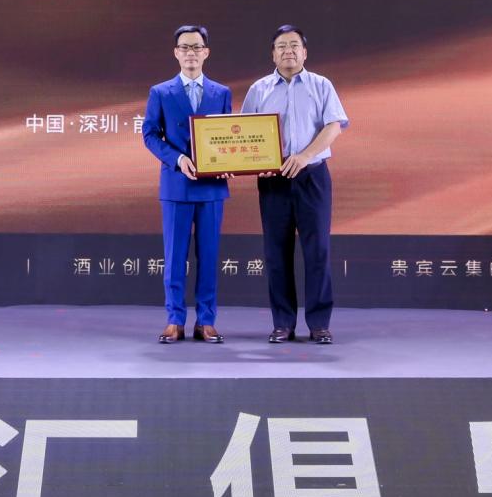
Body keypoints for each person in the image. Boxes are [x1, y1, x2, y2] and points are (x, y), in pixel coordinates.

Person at [241, 25, 348, 345]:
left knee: (318, 251)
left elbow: (334, 126)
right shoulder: (259, 89)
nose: (288, 51)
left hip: (312, 175)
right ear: (272, 54)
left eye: (294, 45)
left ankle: (319, 324)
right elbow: (245, 132)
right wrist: (251, 163)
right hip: (273, 180)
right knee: (276, 252)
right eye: (281, 46)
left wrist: (305, 156)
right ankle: (283, 323)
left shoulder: (321, 85)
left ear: (304, 52)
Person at [142, 25, 232, 344]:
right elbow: (150, 134)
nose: (191, 53)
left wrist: (229, 163)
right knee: (175, 257)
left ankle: (206, 321)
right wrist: (178, 159)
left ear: (206, 52)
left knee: (208, 256)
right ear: (176, 53)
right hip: (177, 184)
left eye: (196, 47)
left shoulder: (222, 92)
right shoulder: (160, 92)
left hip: (211, 187)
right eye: (185, 47)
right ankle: (174, 319)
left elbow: (227, 135)